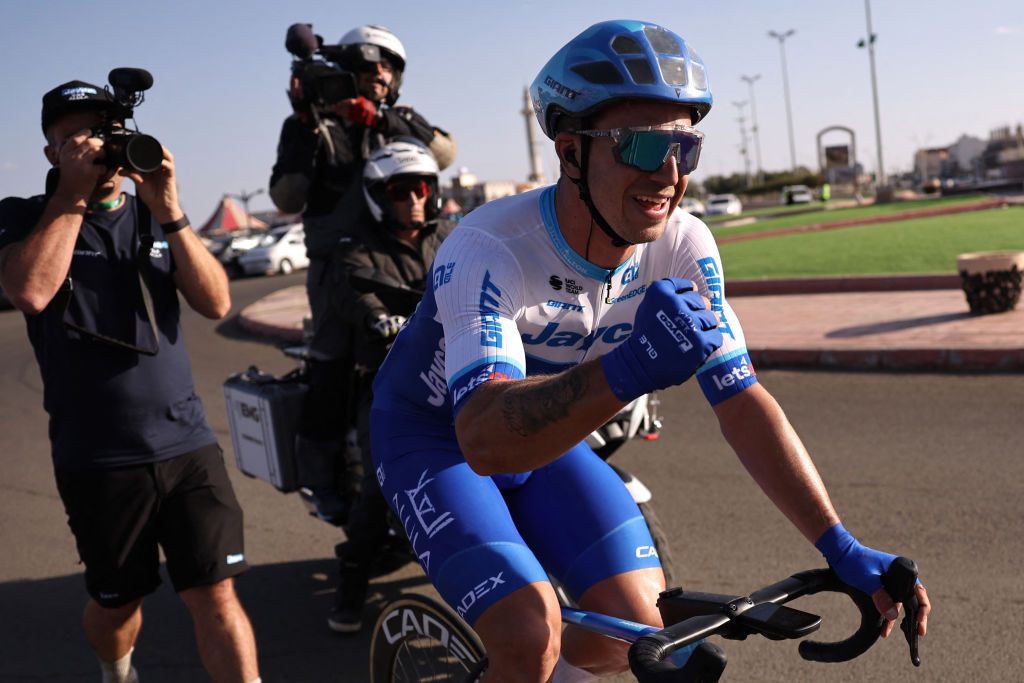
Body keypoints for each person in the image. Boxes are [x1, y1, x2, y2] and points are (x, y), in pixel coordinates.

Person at [368, 20, 931, 682]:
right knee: (528, 632)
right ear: (571, 151)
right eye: (641, 145)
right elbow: (486, 438)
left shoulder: (684, 246)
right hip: (437, 439)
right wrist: (627, 366)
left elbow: (744, 403)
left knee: (639, 632)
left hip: (546, 439)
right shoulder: (489, 249)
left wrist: (838, 543)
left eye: (685, 148)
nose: (669, 173)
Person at [0, 79, 260, 683]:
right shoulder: (22, 215)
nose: (92, 145)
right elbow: (31, 290)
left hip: (188, 446)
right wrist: (71, 194)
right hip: (98, 458)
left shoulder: (150, 214)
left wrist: (170, 209)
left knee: (216, 595)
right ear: (50, 154)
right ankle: (118, 671)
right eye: (73, 138)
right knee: (119, 604)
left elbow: (217, 302)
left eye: (102, 131)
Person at [268, 23, 455, 523]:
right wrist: (310, 123)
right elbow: (286, 198)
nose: (378, 73)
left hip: (404, 254)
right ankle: (323, 480)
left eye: (388, 66)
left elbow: (445, 153)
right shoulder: (312, 127)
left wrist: (383, 120)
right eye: (368, 65)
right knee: (331, 365)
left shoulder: (396, 119)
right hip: (338, 270)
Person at [325, 139, 455, 633]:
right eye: (402, 190)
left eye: (422, 187)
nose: (415, 198)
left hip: (454, 368)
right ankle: (351, 586)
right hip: (390, 383)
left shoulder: (449, 235)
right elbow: (355, 292)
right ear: (381, 195)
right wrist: (379, 318)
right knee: (379, 489)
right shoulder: (356, 246)